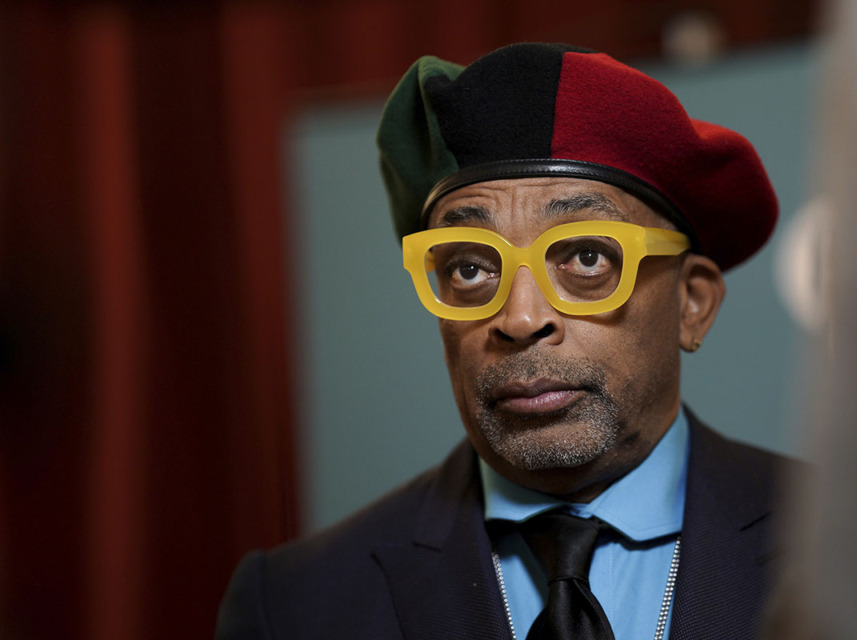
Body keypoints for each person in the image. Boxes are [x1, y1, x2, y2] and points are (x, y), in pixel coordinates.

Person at [216, 43, 796, 640]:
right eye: (470, 268)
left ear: (691, 303)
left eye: (587, 257)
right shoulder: (292, 607)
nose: (521, 319)